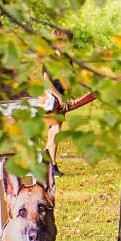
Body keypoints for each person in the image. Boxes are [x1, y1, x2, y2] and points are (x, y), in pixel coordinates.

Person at [41, 27, 74, 178]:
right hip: (50, 98)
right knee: (55, 131)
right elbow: (46, 81)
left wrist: (68, 95)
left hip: (61, 98)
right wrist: (60, 96)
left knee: (53, 132)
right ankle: (51, 166)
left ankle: (47, 165)